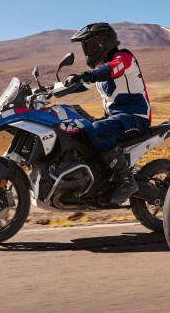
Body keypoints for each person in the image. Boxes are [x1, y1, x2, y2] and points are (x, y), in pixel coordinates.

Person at [62, 22, 152, 204]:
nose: (88, 50)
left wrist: (86, 75)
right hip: (116, 118)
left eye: (91, 45)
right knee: (77, 129)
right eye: (86, 46)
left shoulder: (123, 57)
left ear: (104, 42)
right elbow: (81, 84)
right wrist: (52, 90)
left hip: (136, 118)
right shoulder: (100, 69)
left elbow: (114, 68)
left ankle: (125, 179)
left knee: (97, 129)